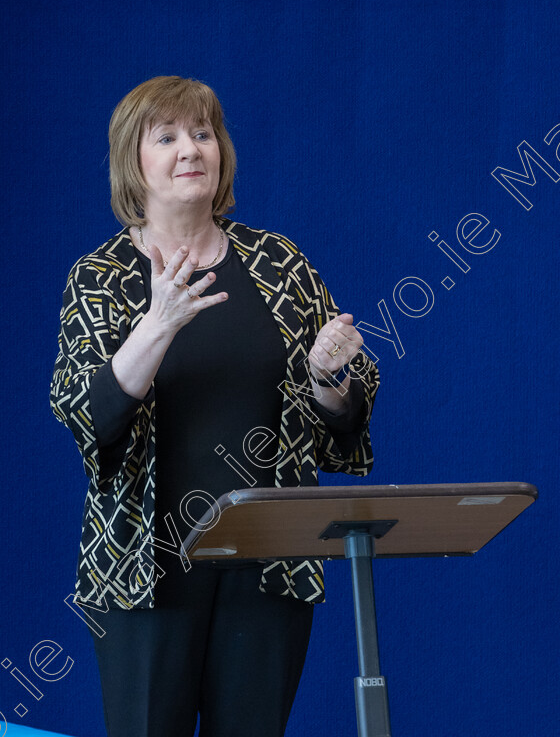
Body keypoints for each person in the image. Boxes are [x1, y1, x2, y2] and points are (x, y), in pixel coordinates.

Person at [50, 75, 380, 737]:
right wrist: (159, 323)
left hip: (268, 570)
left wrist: (326, 375)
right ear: (132, 161)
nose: (190, 150)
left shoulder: (280, 262)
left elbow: (345, 413)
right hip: (145, 571)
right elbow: (89, 416)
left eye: (203, 134)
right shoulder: (101, 276)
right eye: (167, 137)